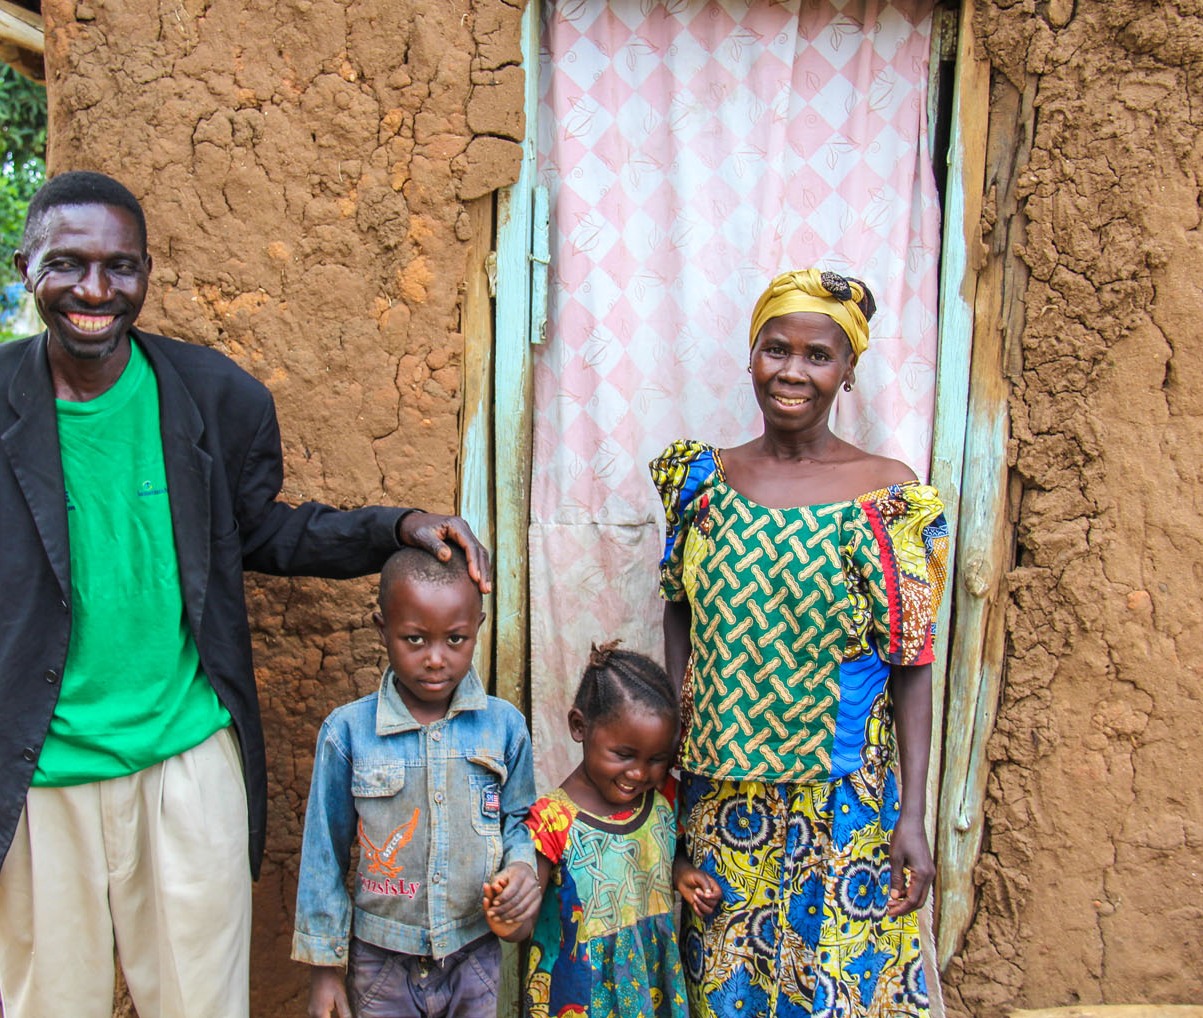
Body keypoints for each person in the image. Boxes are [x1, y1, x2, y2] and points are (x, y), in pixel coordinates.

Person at [0, 170, 491, 1018]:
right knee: (49, 1002)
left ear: (146, 272)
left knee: (199, 1001)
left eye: (120, 267)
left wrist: (394, 526)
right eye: (67, 264)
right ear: (25, 264)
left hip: (186, 761)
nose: (95, 291)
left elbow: (266, 533)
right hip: (38, 772)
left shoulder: (215, 399)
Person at [651, 269, 949, 1018]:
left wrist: (911, 813)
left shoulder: (885, 494)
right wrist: (689, 727)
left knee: (837, 988)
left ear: (847, 371)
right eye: (774, 349)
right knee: (724, 986)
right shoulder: (703, 483)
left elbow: (911, 661)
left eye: (818, 355)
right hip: (723, 798)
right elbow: (678, 611)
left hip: (843, 800)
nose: (792, 371)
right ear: (750, 357)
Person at [293, 545, 539, 1018]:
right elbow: (324, 854)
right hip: (382, 962)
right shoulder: (347, 734)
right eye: (414, 639)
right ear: (382, 629)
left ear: (479, 629)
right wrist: (325, 970)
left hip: (475, 956)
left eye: (456, 639)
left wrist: (522, 870)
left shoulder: (504, 727)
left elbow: (518, 820)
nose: (435, 659)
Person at [487, 641, 696, 1018]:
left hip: (651, 990)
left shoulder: (664, 799)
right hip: (579, 997)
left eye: (657, 759)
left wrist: (682, 873)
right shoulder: (552, 821)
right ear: (580, 726)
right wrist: (509, 919)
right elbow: (525, 915)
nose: (638, 773)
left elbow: (669, 848)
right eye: (624, 754)